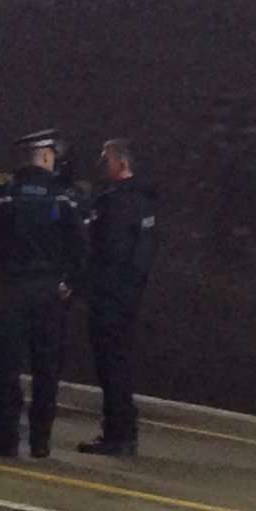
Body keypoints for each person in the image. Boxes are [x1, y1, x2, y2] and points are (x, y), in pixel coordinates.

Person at [0, 129, 86, 458]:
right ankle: (41, 442)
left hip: (11, 289)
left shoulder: (2, 195)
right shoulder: (65, 196)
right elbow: (80, 245)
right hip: (49, 291)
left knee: (8, 368)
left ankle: (7, 440)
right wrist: (70, 282)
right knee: (46, 368)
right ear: (43, 156)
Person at [77, 139, 157, 457]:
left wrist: (90, 286)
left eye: (105, 158)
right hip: (128, 295)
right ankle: (122, 430)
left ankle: (117, 434)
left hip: (109, 295)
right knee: (119, 363)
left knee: (111, 365)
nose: (100, 164)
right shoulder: (144, 201)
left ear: (121, 162)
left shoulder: (113, 202)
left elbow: (102, 250)